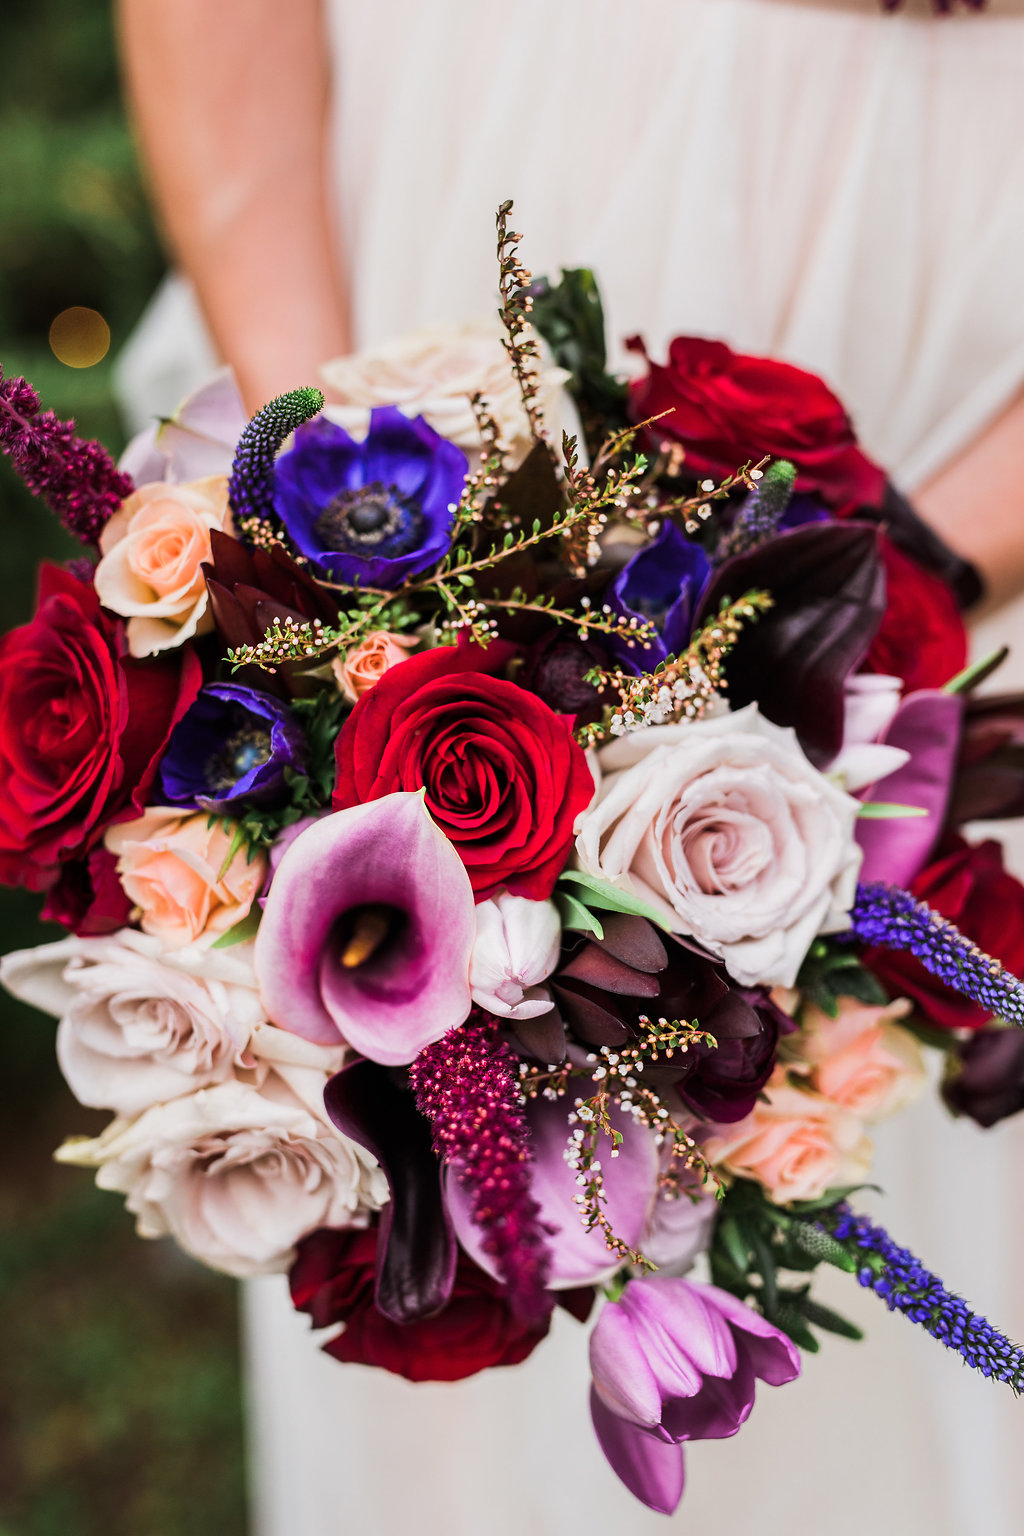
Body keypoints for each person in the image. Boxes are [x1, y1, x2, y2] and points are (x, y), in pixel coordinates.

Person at [115, 2, 1024, 1533]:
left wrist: (908, 577)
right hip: (454, 240)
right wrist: (338, 515)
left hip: (967, 326)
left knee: (897, 1132)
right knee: (462, 1211)